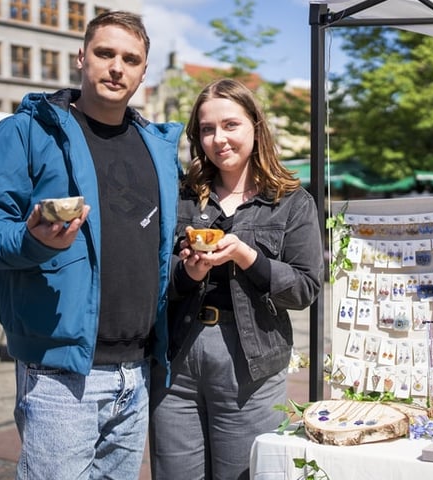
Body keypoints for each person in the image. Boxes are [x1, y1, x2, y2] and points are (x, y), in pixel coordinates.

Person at [0, 11, 183, 479]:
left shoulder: (156, 147)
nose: (117, 67)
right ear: (81, 57)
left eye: (131, 59)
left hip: (136, 374)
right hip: (60, 376)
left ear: (143, 72)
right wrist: (31, 239)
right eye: (105, 53)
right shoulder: (27, 131)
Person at [149, 78, 324, 480]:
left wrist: (247, 256)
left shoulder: (292, 201)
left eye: (231, 125)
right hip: (177, 353)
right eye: (207, 129)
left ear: (255, 128)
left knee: (242, 474)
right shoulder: (182, 197)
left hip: (251, 360)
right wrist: (188, 273)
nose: (218, 139)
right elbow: (157, 276)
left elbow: (304, 289)